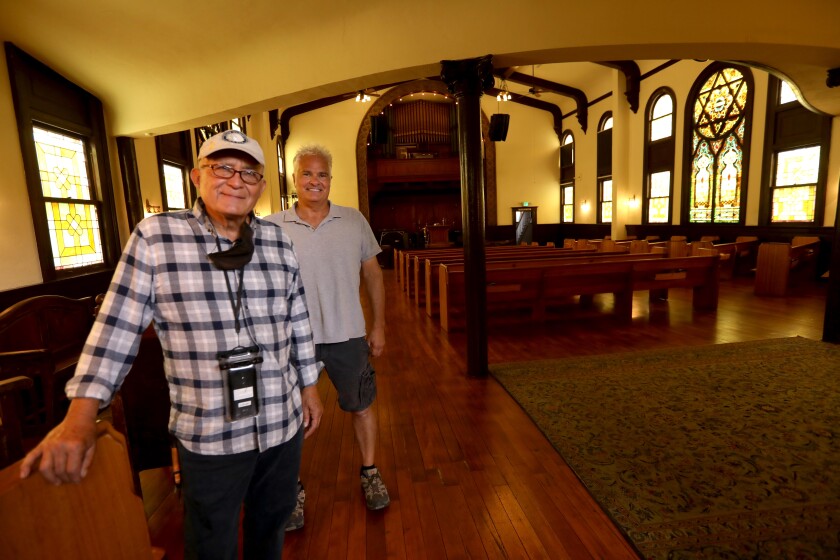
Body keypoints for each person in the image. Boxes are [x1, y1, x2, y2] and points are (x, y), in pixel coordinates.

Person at [20, 130, 324, 560]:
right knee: (211, 542)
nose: (236, 181)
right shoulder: (156, 238)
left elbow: (297, 319)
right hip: (211, 433)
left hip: (281, 422)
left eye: (249, 173)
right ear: (197, 178)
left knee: (270, 529)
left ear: (260, 187)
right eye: (223, 168)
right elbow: (116, 327)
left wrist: (309, 387)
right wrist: (80, 417)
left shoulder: (277, 241)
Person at [266, 144, 389, 530]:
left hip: (347, 334)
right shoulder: (271, 227)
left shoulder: (354, 221)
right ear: (294, 180)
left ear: (330, 180)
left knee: (361, 406)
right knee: (288, 420)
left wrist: (379, 324)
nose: (314, 181)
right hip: (291, 342)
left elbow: (373, 274)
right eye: (307, 174)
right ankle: (291, 490)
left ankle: (369, 472)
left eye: (321, 174)